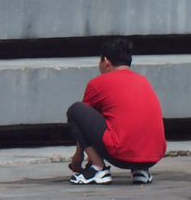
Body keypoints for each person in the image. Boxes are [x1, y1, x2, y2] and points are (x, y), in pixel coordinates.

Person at [65, 37, 166, 185]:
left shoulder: (98, 83)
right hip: (153, 156)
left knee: (76, 110)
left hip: (121, 154)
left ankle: (98, 168)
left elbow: (83, 122)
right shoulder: (143, 81)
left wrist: (78, 157)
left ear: (106, 61)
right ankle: (141, 171)